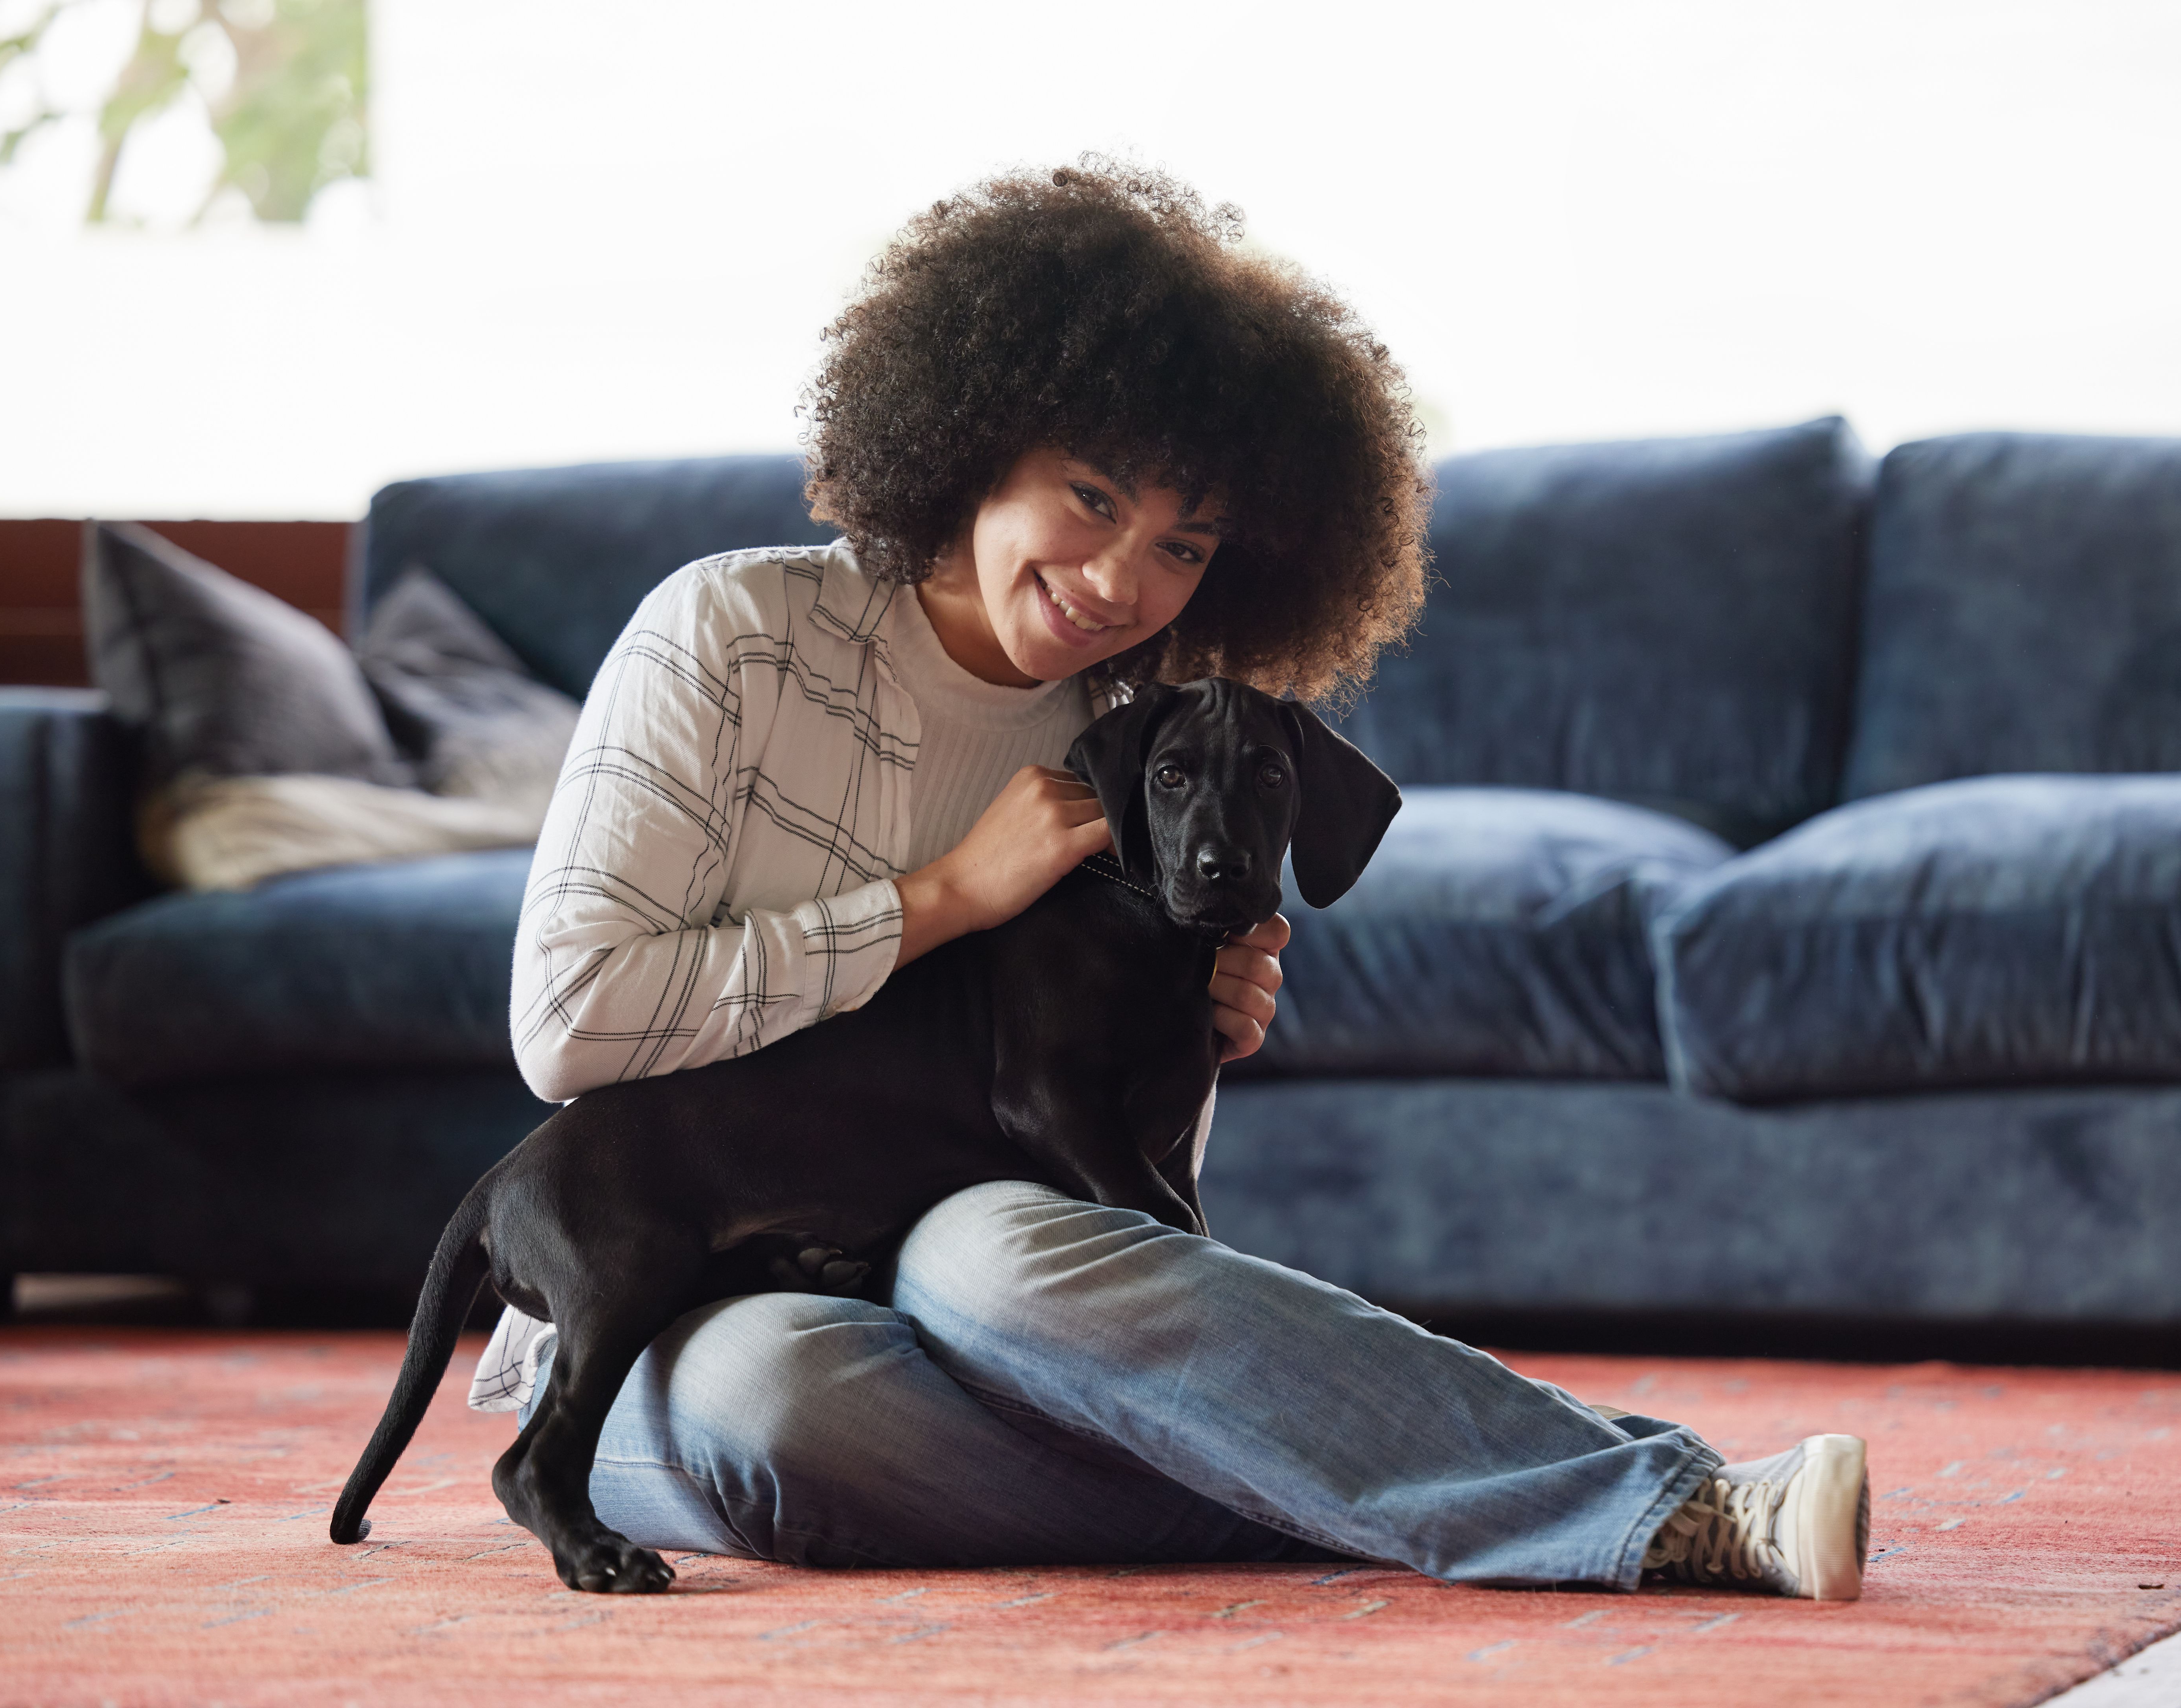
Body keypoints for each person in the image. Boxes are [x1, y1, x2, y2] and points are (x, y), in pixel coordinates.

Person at [469, 159, 1869, 1599]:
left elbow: (1125, 1204)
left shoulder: (1140, 740)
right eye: (1091, 498)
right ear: (975, 438)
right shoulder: (732, 634)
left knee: (1002, 1264)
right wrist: (947, 896)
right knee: (786, 1409)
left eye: (1182, 547)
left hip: (976, 1271)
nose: (1122, 583)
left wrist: (1191, 1037)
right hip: (678, 1302)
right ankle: (1391, 1491)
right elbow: (569, 1022)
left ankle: (1668, 1509)